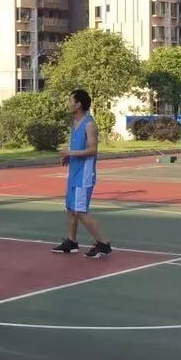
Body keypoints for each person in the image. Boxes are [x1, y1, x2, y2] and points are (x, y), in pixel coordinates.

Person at [52, 88, 112, 258]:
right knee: (71, 209)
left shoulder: (89, 124)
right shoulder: (75, 123)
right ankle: (71, 242)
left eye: (70, 101)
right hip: (74, 172)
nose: (68, 104)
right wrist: (69, 157)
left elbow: (92, 150)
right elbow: (78, 148)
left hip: (84, 175)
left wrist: (70, 152)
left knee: (80, 211)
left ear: (78, 104)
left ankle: (103, 243)